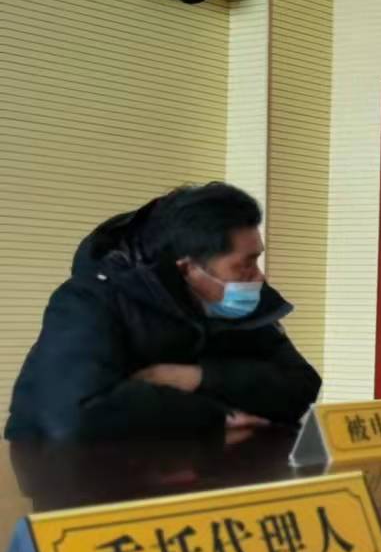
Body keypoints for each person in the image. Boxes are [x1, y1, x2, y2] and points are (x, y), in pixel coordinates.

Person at [6, 183, 322, 442]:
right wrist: (215, 416)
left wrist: (194, 377)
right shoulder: (91, 299)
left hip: (201, 472)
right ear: (188, 269)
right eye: (245, 264)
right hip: (62, 477)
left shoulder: (243, 299)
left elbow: (301, 386)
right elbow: (77, 415)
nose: (260, 277)